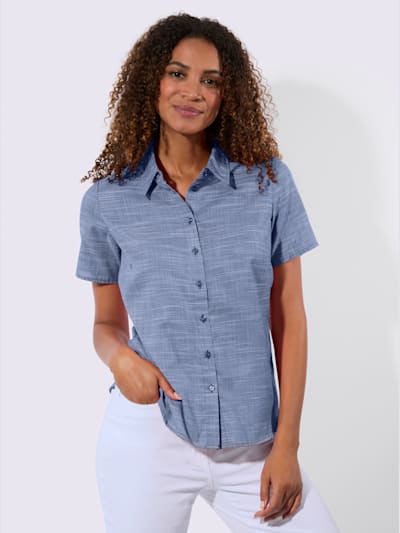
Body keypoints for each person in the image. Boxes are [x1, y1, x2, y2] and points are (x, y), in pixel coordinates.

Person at [75, 12, 340, 533]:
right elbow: (105, 323)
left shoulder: (267, 182)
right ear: (151, 81)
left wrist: (286, 444)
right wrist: (120, 358)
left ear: (227, 95)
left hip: (254, 443)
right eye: (177, 73)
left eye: (210, 81)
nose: (192, 91)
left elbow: (289, 316)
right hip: (149, 432)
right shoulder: (107, 201)